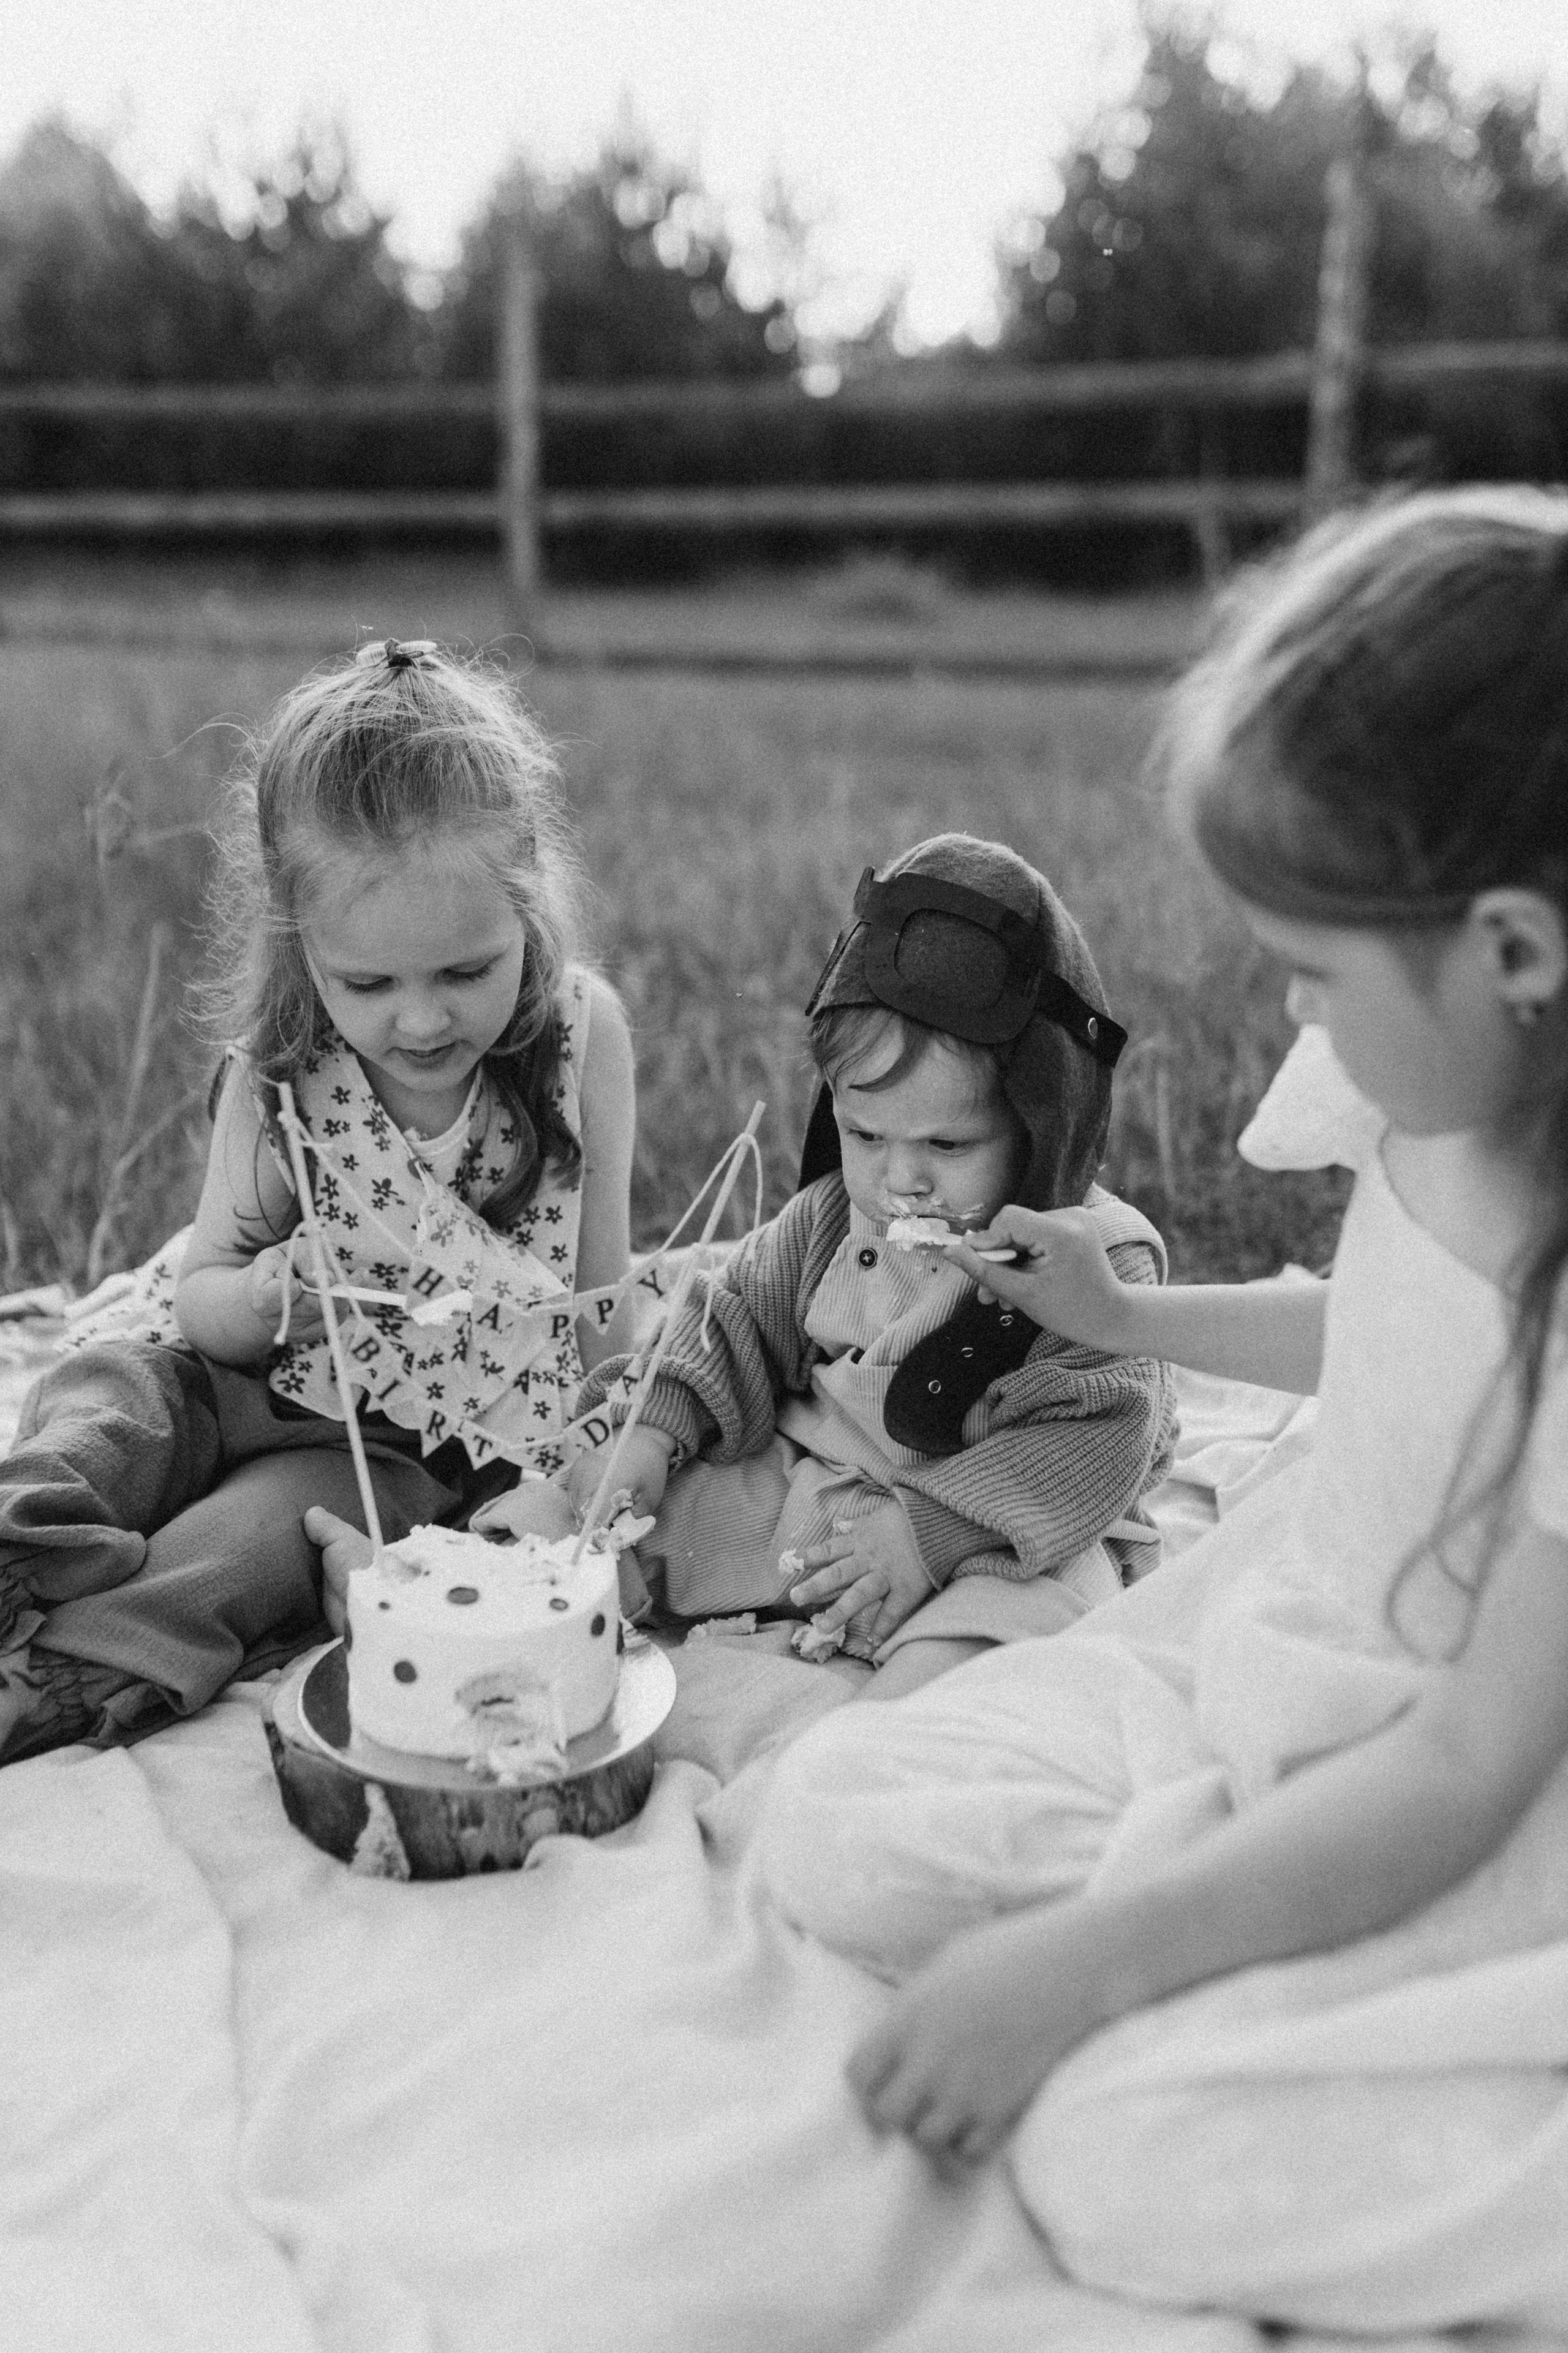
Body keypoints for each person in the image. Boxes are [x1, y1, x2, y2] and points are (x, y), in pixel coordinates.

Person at [753, 489, 1568, 2330]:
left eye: (1317, 964)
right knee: (838, 1823)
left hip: (1462, 1764)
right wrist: (1124, 1308)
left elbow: (1469, 1769)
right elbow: (1380, 1330)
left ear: (1515, 951)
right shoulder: (1432, 1076)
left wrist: (1085, 1973)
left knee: (1110, 2151)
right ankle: (1213, 1902)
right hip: (1295, 1608)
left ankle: (1282, 1978)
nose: (1292, 1005)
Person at [0, 638, 635, 1762]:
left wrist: (587, 1464)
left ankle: (63, 1667)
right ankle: (21, 1547)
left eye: (465, 972)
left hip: (383, 1434)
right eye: (370, 984)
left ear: (528, 888)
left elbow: (599, 1296)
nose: (423, 1022)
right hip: (229, 1366)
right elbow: (199, 1293)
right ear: (303, 942)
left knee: (246, 1553)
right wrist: (257, 1296)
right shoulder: (283, 1071)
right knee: (111, 1403)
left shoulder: (583, 1043)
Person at [568, 833, 1175, 1699]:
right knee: (622, 1522)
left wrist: (930, 1530)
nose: (900, 1179)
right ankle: (553, 1596)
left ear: (1044, 1126)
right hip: (823, 1501)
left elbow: (1090, 1445)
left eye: (948, 1142)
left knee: (1031, 1613)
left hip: (998, 1524)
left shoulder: (1086, 1269)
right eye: (867, 1134)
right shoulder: (831, 1221)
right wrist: (657, 1427)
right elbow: (729, 1319)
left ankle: (902, 1717)